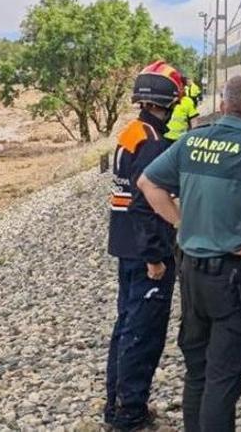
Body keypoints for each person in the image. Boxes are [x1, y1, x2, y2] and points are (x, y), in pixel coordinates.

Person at [138, 75, 241, 432]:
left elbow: (147, 183)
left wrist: (181, 223)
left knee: (198, 370)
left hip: (192, 274)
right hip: (234, 277)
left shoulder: (191, 141)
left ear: (222, 106)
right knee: (223, 376)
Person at [104, 60, 186, 431]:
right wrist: (156, 255)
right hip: (144, 250)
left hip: (124, 242)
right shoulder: (153, 143)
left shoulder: (131, 132)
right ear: (167, 102)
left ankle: (115, 404)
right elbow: (144, 202)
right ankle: (130, 414)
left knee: (125, 325)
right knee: (143, 331)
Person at [166, 76, 201, 142]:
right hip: (165, 139)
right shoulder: (166, 100)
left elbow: (194, 122)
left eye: (181, 87)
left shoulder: (188, 101)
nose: (179, 89)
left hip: (181, 140)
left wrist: (192, 137)